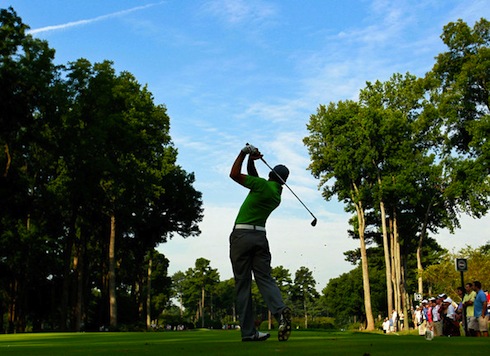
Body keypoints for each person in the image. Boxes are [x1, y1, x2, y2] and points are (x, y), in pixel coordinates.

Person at [229, 144, 292, 342]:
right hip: (260, 238)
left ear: (271, 175)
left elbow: (233, 174)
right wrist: (251, 160)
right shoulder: (276, 194)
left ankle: (249, 332)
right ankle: (281, 312)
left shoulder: (262, 185)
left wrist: (243, 152)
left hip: (241, 236)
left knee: (243, 283)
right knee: (265, 278)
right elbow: (254, 177)